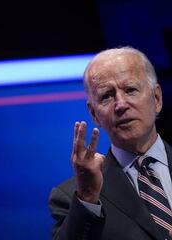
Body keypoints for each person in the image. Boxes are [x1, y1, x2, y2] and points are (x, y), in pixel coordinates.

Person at [49, 46, 172, 240]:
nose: (121, 104)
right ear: (93, 114)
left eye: (130, 90)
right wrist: (88, 196)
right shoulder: (75, 196)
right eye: (107, 96)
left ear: (156, 98)